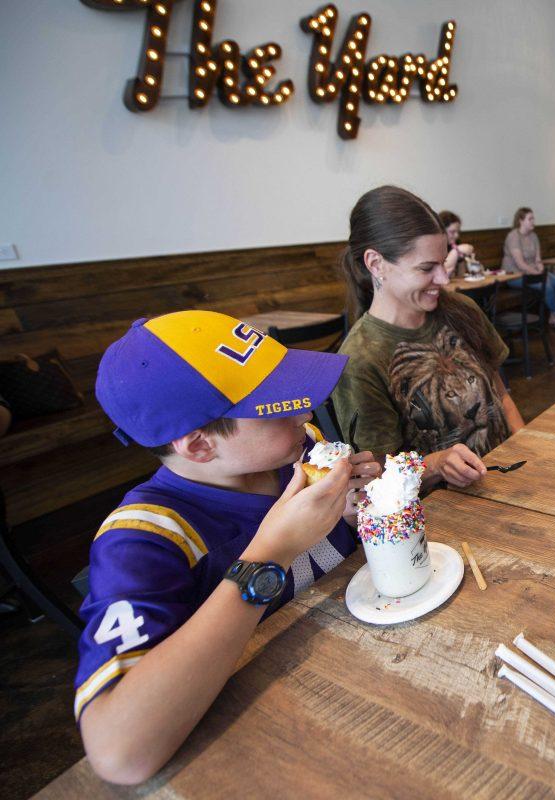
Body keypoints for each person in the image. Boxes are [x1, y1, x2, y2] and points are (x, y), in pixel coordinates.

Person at [75, 310, 381, 784]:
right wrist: (270, 555)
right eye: (277, 407)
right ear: (198, 447)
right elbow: (119, 752)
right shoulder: (144, 539)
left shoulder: (297, 451)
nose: (305, 412)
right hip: (278, 751)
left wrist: (359, 506)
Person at [333, 186, 525, 487]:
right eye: (427, 268)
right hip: (442, 514)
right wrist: (435, 464)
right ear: (376, 264)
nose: (444, 279)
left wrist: (528, 453)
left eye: (443, 262)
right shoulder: (361, 360)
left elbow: (500, 395)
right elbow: (376, 478)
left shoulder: (461, 309)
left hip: (508, 479)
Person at [501, 207, 555, 328]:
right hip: (515, 275)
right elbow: (520, 264)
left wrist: (540, 268)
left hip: (532, 272)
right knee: (548, 284)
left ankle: (552, 316)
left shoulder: (533, 236)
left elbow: (538, 259)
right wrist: (539, 274)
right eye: (530, 219)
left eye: (533, 218)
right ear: (521, 221)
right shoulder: (513, 236)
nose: (533, 221)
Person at [438, 210, 475, 276]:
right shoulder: (435, 247)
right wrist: (456, 251)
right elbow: (441, 272)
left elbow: (461, 274)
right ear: (441, 231)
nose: (457, 235)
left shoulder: (456, 243)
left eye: (458, 232)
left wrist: (462, 257)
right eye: (452, 232)